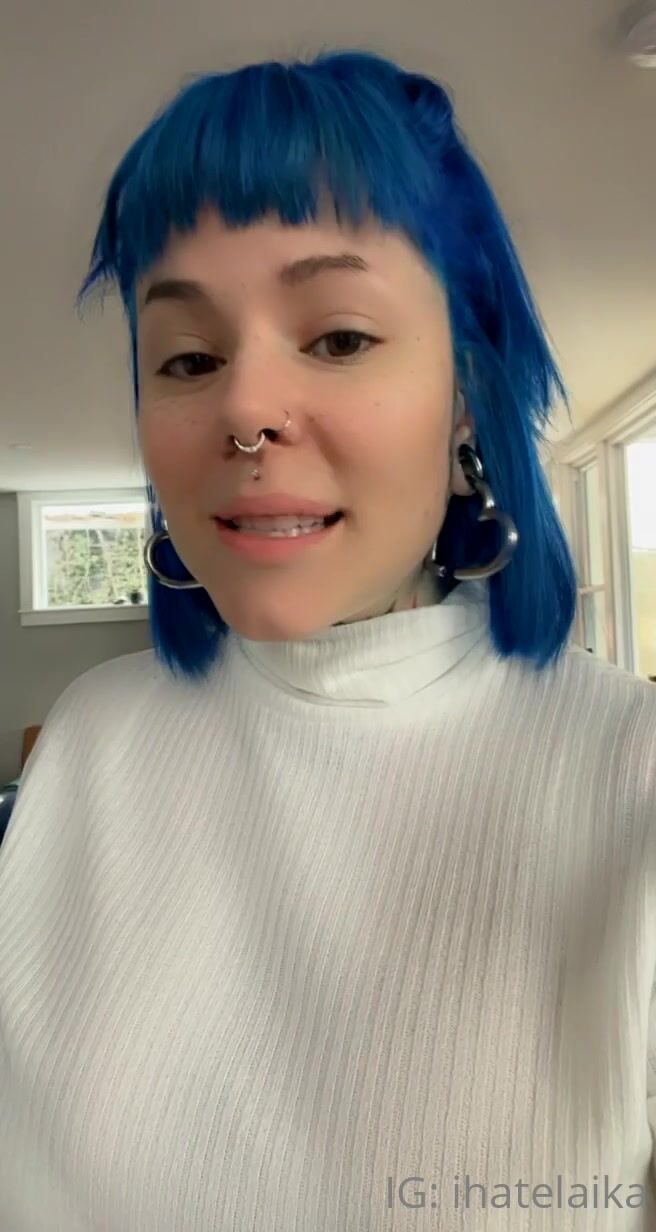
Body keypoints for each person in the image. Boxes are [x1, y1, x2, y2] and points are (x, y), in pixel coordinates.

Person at [0, 48, 655, 1232]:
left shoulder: (629, 773)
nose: (244, 408)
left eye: (338, 337)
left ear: (466, 393)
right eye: (187, 357)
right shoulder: (91, 743)